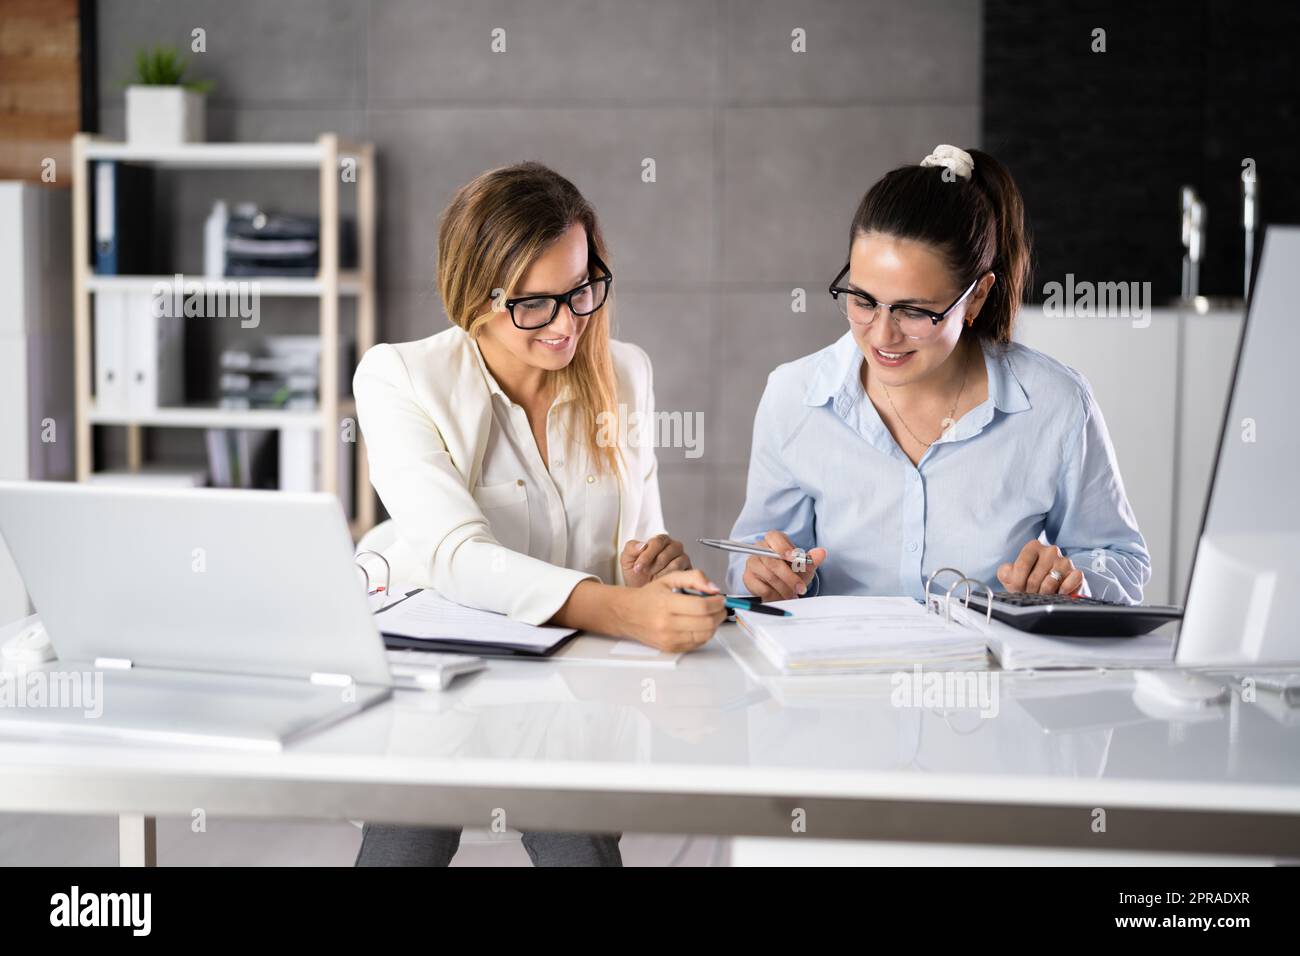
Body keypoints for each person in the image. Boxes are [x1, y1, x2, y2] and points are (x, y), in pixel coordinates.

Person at [351, 161, 726, 866]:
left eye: (581, 289)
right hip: (440, 677)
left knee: (578, 842)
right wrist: (625, 609)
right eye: (535, 304)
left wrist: (655, 572)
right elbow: (456, 558)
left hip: (572, 684)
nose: (567, 323)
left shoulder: (625, 373)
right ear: (475, 296)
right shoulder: (399, 377)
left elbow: (632, 550)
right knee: (406, 837)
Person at [727, 145, 1151, 606]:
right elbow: (750, 559)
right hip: (839, 672)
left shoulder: (1055, 403)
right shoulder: (793, 397)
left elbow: (1122, 563)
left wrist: (1072, 579)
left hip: (992, 672)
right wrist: (762, 573)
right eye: (863, 300)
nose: (882, 335)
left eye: (913, 310)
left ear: (976, 297)